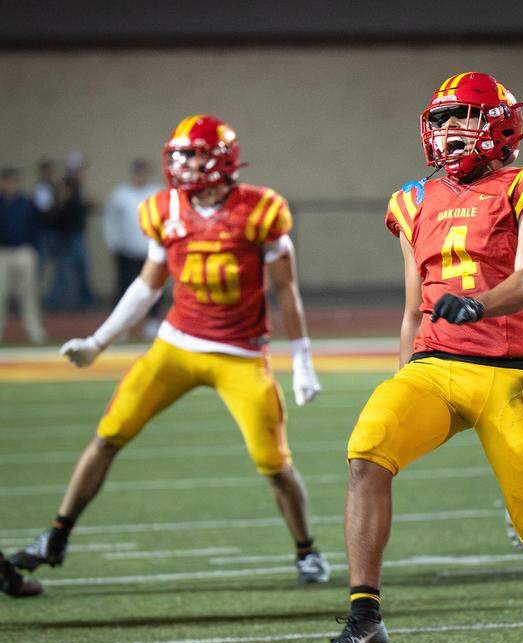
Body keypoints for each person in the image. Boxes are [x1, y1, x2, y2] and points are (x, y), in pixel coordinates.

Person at [315, 72, 523, 643]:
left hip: (509, 373)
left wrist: (478, 304)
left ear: (500, 124)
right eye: (439, 119)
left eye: (462, 116)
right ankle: (365, 615)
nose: (446, 130)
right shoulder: (412, 200)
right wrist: (401, 374)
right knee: (366, 453)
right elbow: (413, 306)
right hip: (435, 368)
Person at [9, 115, 329, 586]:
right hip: (175, 346)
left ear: (221, 159)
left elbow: (287, 292)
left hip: (239, 354)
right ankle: (55, 536)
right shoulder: (165, 209)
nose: (182, 164)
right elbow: (146, 287)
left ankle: (307, 550)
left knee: (274, 463)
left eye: (193, 154)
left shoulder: (260, 210)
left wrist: (302, 361)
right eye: (178, 154)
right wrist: (99, 342)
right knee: (109, 434)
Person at [104, 158, 164, 338]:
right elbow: (110, 221)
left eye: (143, 172)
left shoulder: (156, 193)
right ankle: (122, 327)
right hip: (126, 251)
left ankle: (152, 323)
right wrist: (112, 243)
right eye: (137, 172)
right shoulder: (120, 194)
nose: (140, 176)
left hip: (151, 252)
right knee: (124, 288)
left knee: (154, 288)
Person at [0, 167, 47, 344]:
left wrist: (35, 250)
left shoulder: (26, 203)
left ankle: (34, 331)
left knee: (28, 294)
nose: (11, 184)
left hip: (23, 251)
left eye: (14, 181)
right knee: (1, 293)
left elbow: (35, 228)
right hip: (2, 252)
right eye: (7, 181)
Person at [45, 151, 97, 309]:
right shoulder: (66, 184)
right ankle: (53, 302)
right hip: (68, 235)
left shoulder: (77, 186)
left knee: (81, 268)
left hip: (75, 233)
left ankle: (84, 298)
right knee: (64, 269)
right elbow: (61, 208)